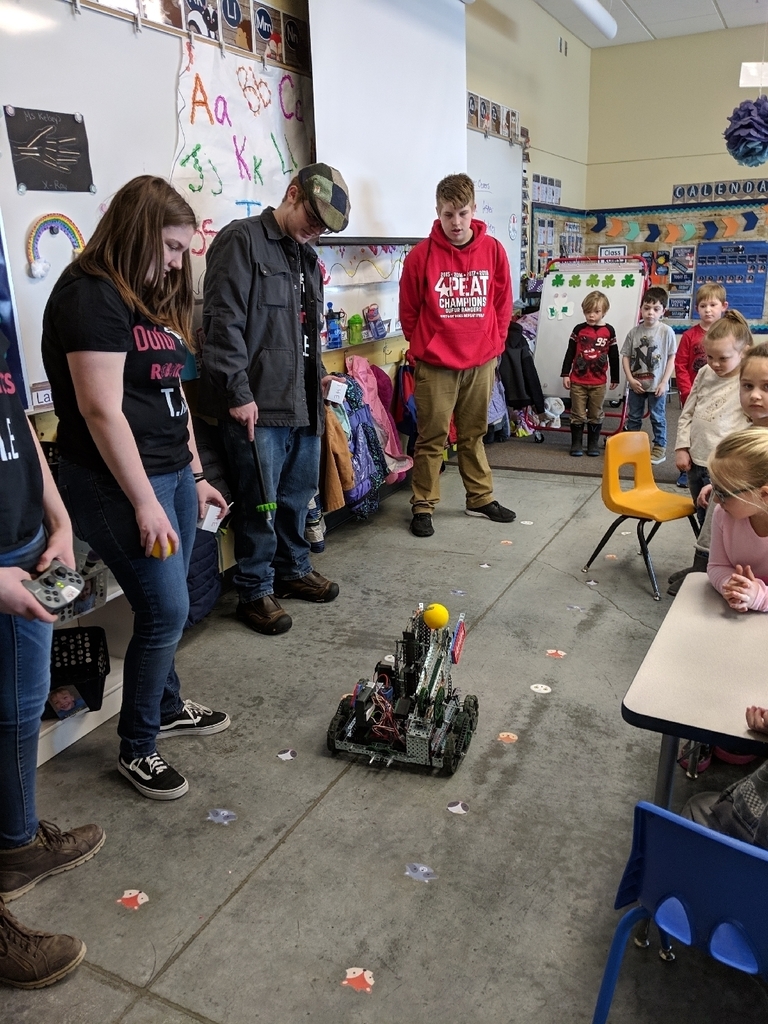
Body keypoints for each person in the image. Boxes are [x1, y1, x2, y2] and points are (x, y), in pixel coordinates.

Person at [41, 176, 230, 802]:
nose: (177, 264)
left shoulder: (147, 294)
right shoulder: (89, 296)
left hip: (170, 469)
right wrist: (146, 502)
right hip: (110, 481)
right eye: (171, 248)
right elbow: (100, 411)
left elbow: (171, 395)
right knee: (166, 608)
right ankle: (137, 747)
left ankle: (166, 706)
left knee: (168, 597)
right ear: (137, 231)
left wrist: (196, 473)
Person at [199, 164, 350, 635]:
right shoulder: (241, 241)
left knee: (296, 497)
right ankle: (255, 589)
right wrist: (237, 394)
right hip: (256, 406)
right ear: (291, 193)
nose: (314, 230)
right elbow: (221, 325)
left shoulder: (306, 256)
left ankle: (292, 571)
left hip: (302, 400)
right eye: (312, 216)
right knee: (260, 504)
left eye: (324, 227)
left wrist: (321, 378)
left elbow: (307, 330)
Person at [0, 328, 104, 988]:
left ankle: (14, 846)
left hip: (25, 545)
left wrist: (58, 520)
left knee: (19, 707)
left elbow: (14, 420)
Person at [399, 173, 514, 538]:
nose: (456, 223)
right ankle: (423, 504)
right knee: (431, 437)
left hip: (481, 361)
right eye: (449, 215)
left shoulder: (494, 250)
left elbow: (502, 302)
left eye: (463, 213)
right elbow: (409, 310)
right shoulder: (421, 256)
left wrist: (493, 347)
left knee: (474, 433)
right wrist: (424, 347)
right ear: (438, 211)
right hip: (436, 364)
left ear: (474, 210)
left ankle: (479, 498)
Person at [668, 336, 764, 598]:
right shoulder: (751, 428)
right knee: (716, 529)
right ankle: (702, 570)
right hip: (743, 576)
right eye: (746, 386)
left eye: (766, 387)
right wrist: (721, 483)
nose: (755, 395)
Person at [674, 310, 752, 524]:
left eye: (723, 358)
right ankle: (707, 557)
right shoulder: (704, 373)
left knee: (719, 523)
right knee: (702, 518)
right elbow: (688, 411)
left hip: (723, 466)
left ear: (743, 353)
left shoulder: (747, 381)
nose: (715, 364)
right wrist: (682, 447)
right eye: (710, 356)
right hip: (696, 462)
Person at [706, 428, 768, 614]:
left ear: (764, 494)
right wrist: (733, 587)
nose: (716, 500)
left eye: (723, 493)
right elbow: (717, 566)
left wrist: (759, 596)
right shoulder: (723, 514)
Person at [673, 283, 728, 487]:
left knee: (714, 430)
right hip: (694, 394)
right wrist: (687, 392)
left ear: (723, 306)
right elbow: (680, 366)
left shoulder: (727, 334)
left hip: (721, 395)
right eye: (703, 306)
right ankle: (686, 471)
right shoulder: (690, 336)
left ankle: (715, 470)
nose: (708, 310)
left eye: (713, 305)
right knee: (691, 431)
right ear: (697, 309)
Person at [620, 286, 677, 465]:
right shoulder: (634, 332)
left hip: (657, 385)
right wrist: (629, 378)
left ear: (663, 311)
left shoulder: (666, 332)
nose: (650, 313)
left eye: (655, 309)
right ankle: (633, 447)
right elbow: (626, 356)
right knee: (634, 416)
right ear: (641, 308)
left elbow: (671, 358)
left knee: (657, 416)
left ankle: (659, 447)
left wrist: (664, 382)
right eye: (646, 308)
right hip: (637, 384)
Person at [559, 290, 618, 457]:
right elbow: (570, 352)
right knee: (577, 413)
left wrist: (615, 377)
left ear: (604, 311)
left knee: (595, 413)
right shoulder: (579, 329)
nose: (591, 316)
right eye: (588, 312)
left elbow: (614, 355)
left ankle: (593, 444)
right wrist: (565, 373)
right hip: (578, 380)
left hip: (598, 383)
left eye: (596, 312)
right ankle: (576, 443)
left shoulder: (609, 331)